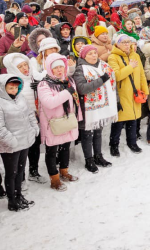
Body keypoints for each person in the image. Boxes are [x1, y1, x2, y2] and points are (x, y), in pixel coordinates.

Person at [37, 54, 82, 192]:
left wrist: (77, 117)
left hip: (67, 121)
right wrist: (67, 92)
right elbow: (49, 103)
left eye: (61, 67)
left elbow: (76, 102)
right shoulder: (44, 84)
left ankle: (64, 171)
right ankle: (54, 179)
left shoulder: (69, 81)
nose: (59, 70)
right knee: (51, 152)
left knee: (65, 148)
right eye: (55, 67)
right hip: (54, 124)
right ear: (50, 69)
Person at [72, 45, 118, 172]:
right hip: (88, 109)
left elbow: (113, 84)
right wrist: (101, 80)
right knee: (87, 135)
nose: (93, 55)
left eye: (95, 53)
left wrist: (116, 101)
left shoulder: (104, 66)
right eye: (90, 53)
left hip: (101, 106)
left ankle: (98, 156)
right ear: (84, 56)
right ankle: (89, 160)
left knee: (98, 133)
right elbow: (82, 89)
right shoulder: (80, 69)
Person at [0, 75, 39, 211]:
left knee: (20, 171)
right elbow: (0, 128)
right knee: (12, 173)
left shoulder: (20, 98)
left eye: (16, 87)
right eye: (11, 88)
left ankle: (19, 195)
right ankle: (12, 201)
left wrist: (34, 129)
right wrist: (12, 141)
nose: (14, 90)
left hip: (25, 140)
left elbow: (30, 114)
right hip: (10, 146)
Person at [108, 35, 149, 156]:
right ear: (117, 44)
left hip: (135, 92)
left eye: (128, 42)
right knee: (119, 121)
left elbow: (141, 74)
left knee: (133, 118)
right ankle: (114, 145)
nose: (127, 44)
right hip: (122, 94)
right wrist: (130, 67)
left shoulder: (135, 55)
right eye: (124, 42)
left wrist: (145, 90)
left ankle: (132, 142)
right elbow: (116, 76)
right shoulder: (113, 57)